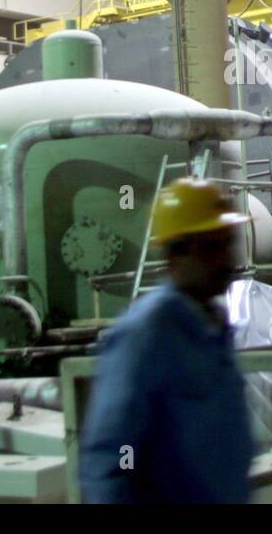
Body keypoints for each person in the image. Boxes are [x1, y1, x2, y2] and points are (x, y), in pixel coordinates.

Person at [79, 177, 254, 503]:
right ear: (176, 255)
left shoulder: (212, 326)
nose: (227, 260)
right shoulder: (147, 333)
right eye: (212, 248)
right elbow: (112, 456)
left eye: (228, 243)